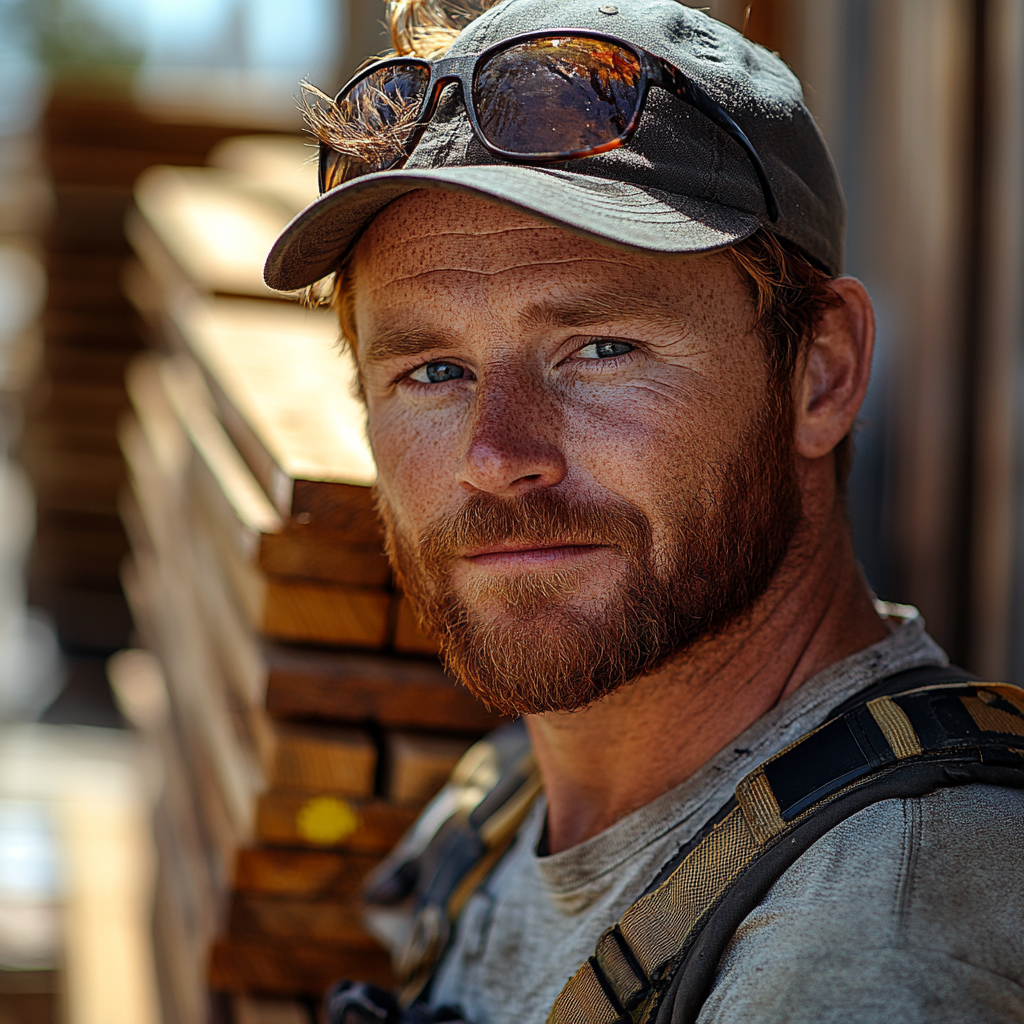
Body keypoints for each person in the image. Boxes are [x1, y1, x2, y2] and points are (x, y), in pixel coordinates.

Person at [264, 1, 1024, 1021]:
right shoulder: (514, 799)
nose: (498, 457)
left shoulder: (869, 944)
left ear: (821, 372)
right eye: (433, 370)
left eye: (600, 349)